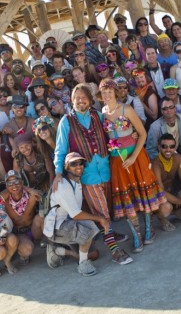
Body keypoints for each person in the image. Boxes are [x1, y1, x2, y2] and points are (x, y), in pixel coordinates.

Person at [53, 84, 133, 265]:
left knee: (107, 207)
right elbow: (60, 150)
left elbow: (113, 135)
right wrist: (58, 173)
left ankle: (108, 231)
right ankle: (114, 250)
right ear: (72, 101)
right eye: (76, 98)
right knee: (102, 211)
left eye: (83, 98)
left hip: (106, 169)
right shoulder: (66, 121)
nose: (80, 101)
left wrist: (130, 138)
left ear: (90, 99)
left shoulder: (98, 115)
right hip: (88, 174)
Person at [100, 79, 168, 253]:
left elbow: (143, 134)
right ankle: (136, 234)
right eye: (103, 92)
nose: (107, 95)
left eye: (109, 91)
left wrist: (134, 156)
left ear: (115, 92)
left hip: (136, 157)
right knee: (127, 196)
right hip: (117, 160)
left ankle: (148, 230)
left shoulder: (126, 109)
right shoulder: (103, 112)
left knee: (142, 192)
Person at [44, 152, 104, 276]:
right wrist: (101, 219)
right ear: (66, 167)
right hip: (57, 227)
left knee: (94, 244)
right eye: (73, 163)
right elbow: (76, 215)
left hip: (68, 222)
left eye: (81, 163)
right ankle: (82, 264)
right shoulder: (62, 185)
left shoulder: (77, 182)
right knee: (87, 233)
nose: (78, 166)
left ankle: (63, 252)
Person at [1, 170, 44, 265]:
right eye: (10, 183)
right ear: (6, 186)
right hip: (19, 233)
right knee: (27, 250)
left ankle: (50, 244)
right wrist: (13, 188)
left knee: (41, 217)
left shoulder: (30, 194)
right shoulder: (5, 200)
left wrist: (26, 188)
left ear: (22, 182)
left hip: (33, 229)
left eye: (16, 182)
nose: (14, 186)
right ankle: (19, 249)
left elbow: (40, 194)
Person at [150, 134, 181, 225]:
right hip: (159, 197)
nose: (168, 150)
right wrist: (180, 201)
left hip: (173, 192)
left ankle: (176, 211)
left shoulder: (178, 158)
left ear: (175, 147)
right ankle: (161, 218)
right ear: (159, 147)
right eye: (164, 146)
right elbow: (160, 190)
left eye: (171, 146)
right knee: (166, 207)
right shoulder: (155, 163)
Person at [146, 96, 181, 160]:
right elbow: (151, 150)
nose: (168, 110)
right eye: (165, 108)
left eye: (171, 107)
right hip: (163, 157)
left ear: (175, 109)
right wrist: (164, 162)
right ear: (162, 111)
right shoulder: (155, 127)